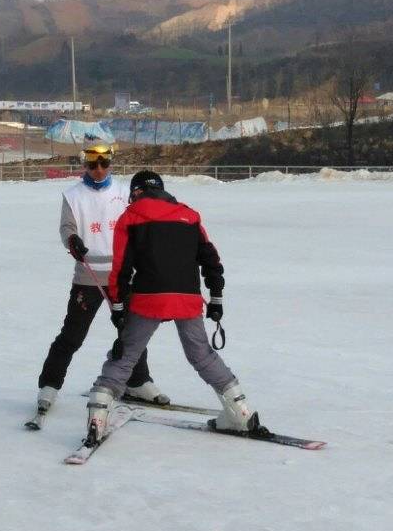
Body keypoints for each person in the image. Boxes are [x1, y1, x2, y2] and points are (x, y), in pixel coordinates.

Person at [85, 170, 265, 442]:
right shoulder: (189, 215)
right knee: (202, 355)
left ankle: (97, 417)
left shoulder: (130, 217)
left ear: (136, 192)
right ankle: (240, 412)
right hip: (187, 298)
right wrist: (216, 298)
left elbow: (121, 268)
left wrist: (118, 305)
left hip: (148, 298)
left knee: (126, 355)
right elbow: (211, 260)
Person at [26, 147, 168, 429]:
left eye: (104, 164)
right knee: (72, 335)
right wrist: (72, 241)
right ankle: (49, 385)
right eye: (93, 165)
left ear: (111, 163)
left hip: (122, 274)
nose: (99, 169)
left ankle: (137, 381)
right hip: (88, 276)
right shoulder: (73, 195)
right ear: (85, 165)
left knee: (132, 333)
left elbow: (140, 221)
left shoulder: (124, 191)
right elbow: (67, 227)